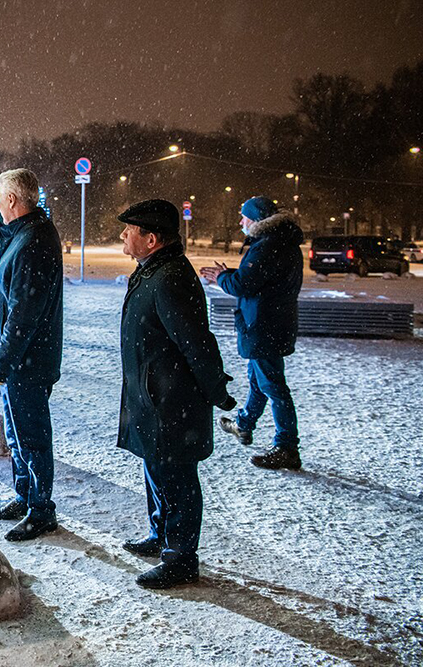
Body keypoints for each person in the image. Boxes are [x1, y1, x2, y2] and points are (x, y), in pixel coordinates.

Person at [117, 199, 236, 589]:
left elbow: (196, 342)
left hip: (171, 403)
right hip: (154, 397)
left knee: (177, 478)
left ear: (151, 239)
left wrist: (216, 389)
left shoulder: (168, 277)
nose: (122, 236)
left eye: (129, 230)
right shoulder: (152, 270)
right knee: (156, 469)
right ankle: (160, 535)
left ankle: (181, 557)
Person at [0, 169, 63, 542]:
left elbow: (23, 315)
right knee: (18, 433)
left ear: (11, 200)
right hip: (20, 364)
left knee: (31, 437)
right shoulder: (26, 233)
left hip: (26, 364)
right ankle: (25, 497)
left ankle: (41, 510)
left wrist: (1, 366)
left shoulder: (34, 242)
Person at [200, 197, 304, 470]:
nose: (240, 222)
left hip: (263, 324)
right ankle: (244, 424)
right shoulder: (281, 242)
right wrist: (230, 274)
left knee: (273, 385)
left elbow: (244, 284)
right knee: (259, 379)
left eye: (244, 217)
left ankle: (287, 447)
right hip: (271, 322)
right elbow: (260, 279)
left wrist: (221, 278)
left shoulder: (267, 246)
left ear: (257, 220)